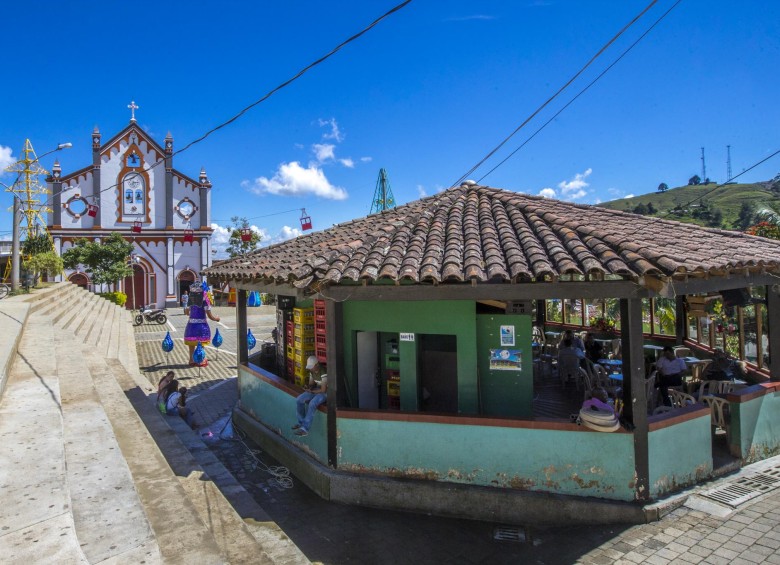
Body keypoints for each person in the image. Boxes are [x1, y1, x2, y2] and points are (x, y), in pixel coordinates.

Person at [184, 281, 220, 366]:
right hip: (201, 325)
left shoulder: (191, 300)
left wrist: (192, 314)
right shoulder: (205, 301)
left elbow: (186, 312)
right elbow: (210, 315)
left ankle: (191, 360)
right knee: (201, 344)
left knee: (191, 344)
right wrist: (216, 319)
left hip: (191, 325)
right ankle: (200, 360)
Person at [292, 356, 327, 437]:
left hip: (325, 392)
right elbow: (311, 384)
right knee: (299, 400)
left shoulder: (323, 372)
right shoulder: (312, 372)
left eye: (312, 367)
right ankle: (301, 422)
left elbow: (323, 390)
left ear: (317, 365)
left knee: (312, 403)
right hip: (316, 389)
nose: (310, 369)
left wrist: (312, 391)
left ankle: (305, 428)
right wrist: (308, 387)